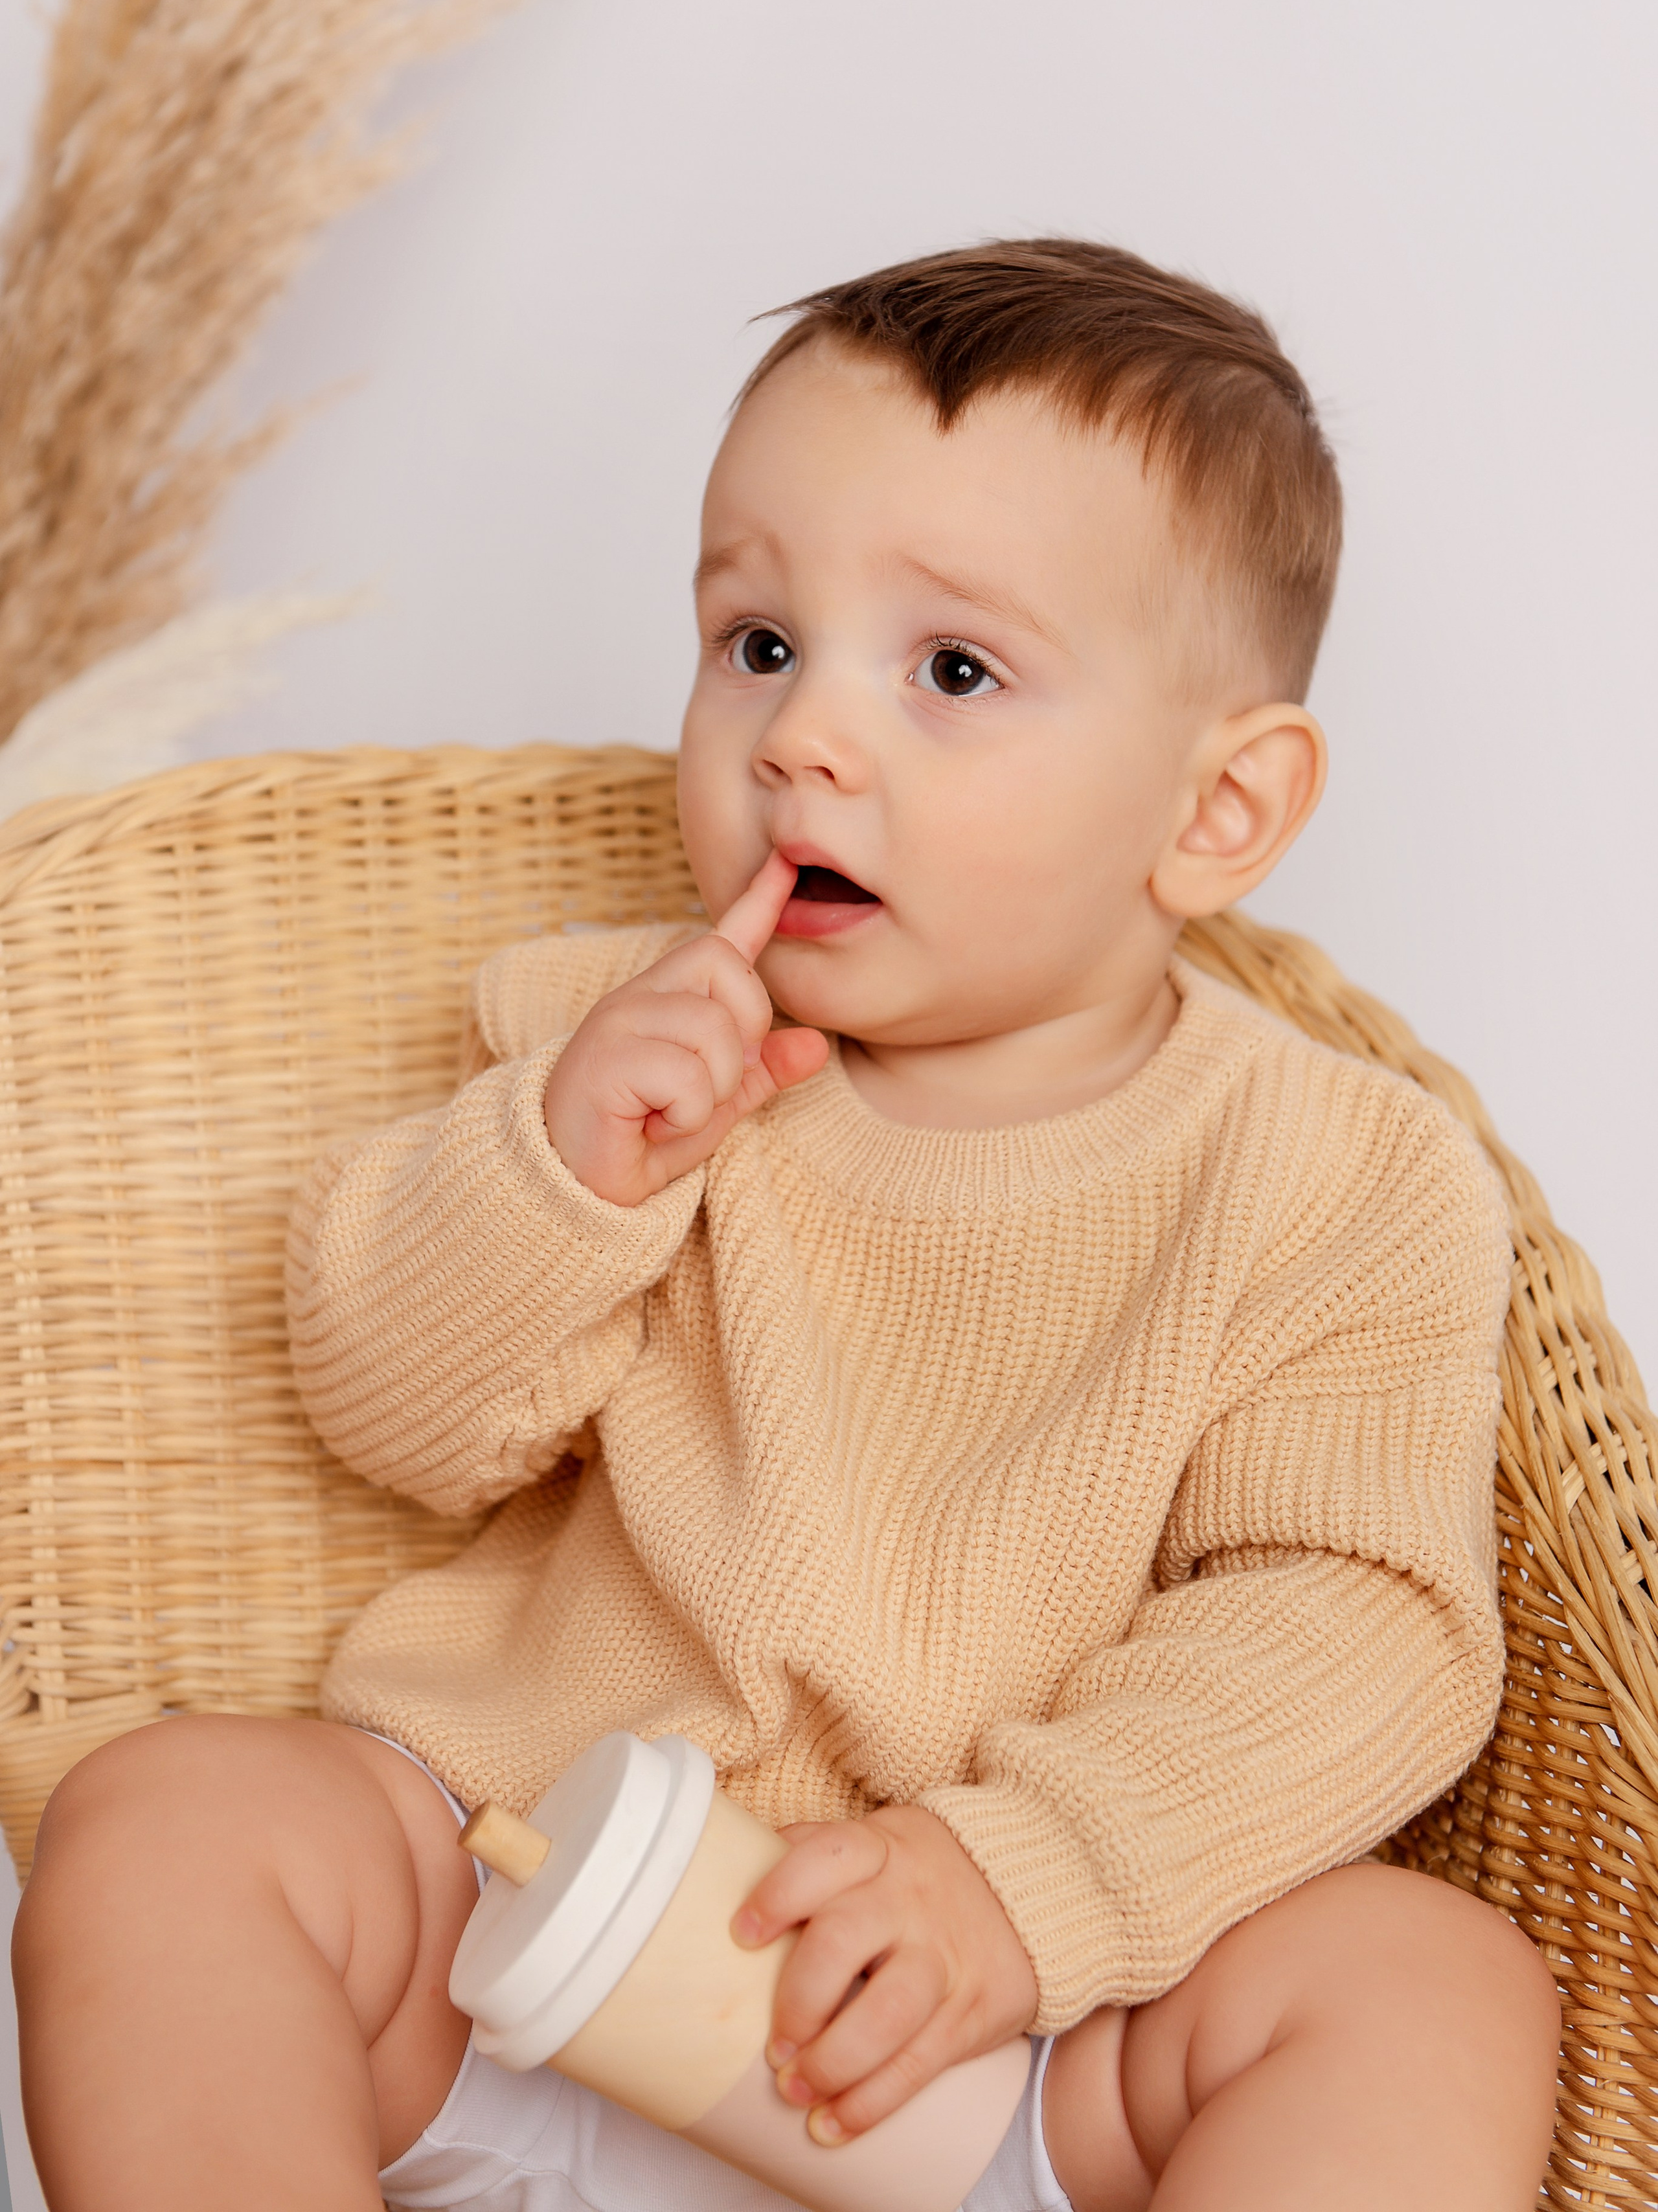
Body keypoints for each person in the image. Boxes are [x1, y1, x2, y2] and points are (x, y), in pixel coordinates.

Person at [14, 240, 1560, 2211]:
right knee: (164, 1819)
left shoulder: (1345, 1179)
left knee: (1436, 1987)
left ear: (1218, 813)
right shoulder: (621, 1049)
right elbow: (391, 1409)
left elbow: (1358, 1630)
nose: (801, 737)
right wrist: (565, 1173)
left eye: (951, 671)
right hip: (519, 1933)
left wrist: (1022, 1878)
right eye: (757, 640)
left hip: (996, 2060)